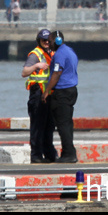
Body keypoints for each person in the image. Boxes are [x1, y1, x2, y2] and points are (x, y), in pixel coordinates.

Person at [20, 29, 57, 164]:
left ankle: (49, 154)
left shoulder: (52, 53)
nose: (46, 42)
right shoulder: (35, 55)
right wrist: (36, 65)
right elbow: (24, 72)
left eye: (48, 40)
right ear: (39, 41)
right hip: (37, 94)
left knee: (49, 125)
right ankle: (36, 155)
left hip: (49, 94)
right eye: (44, 40)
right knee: (37, 126)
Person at [43, 30, 80, 163]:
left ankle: (69, 154)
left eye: (51, 41)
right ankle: (69, 152)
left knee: (63, 124)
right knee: (68, 123)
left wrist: (47, 90)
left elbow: (56, 74)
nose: (49, 43)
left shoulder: (59, 54)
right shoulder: (70, 51)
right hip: (71, 90)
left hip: (62, 92)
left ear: (57, 41)